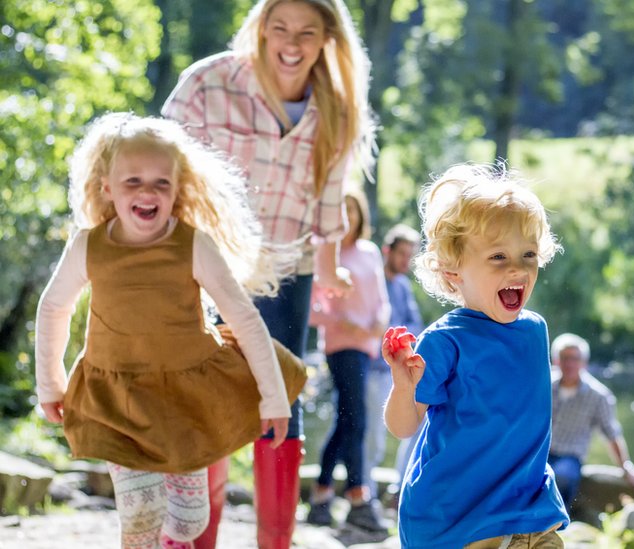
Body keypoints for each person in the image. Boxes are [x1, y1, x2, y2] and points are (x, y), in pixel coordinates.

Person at [33, 113, 307, 549]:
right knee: (140, 512)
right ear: (107, 187)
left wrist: (274, 398)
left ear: (178, 190)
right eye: (133, 181)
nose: (147, 192)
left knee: (188, 520)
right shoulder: (89, 245)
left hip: (184, 403)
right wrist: (50, 384)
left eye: (161, 182)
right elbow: (54, 308)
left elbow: (243, 317)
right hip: (117, 400)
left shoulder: (192, 244)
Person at [161, 0, 375, 546]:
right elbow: (159, 170)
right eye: (279, 27)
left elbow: (327, 209)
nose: (292, 43)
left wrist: (329, 271)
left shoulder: (337, 106)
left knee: (281, 394)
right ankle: (195, 537)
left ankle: (275, 540)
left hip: (286, 268)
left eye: (308, 31)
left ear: (327, 37)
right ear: (260, 29)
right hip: (205, 266)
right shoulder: (209, 83)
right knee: (205, 399)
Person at [382, 164, 570, 548]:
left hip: (529, 510)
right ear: (454, 272)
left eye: (528, 254)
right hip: (456, 517)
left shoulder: (536, 331)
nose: (517, 267)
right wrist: (404, 386)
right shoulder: (445, 340)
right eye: (498, 256)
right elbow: (403, 427)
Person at [306, 188, 390, 531]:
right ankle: (358, 496)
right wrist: (338, 322)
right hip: (341, 346)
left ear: (360, 216)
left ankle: (322, 494)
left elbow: (381, 300)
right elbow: (311, 310)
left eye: (353, 211)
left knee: (348, 420)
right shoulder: (326, 254)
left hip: (367, 345)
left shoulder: (369, 252)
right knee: (357, 418)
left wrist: (380, 324)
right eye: (343, 211)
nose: (348, 217)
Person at [548, 333, 634, 511]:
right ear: (556, 360)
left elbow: (611, 434)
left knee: (560, 478)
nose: (569, 363)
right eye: (564, 358)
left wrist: (625, 467)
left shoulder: (599, 396)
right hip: (540, 452)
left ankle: (555, 524)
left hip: (569, 456)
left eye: (575, 358)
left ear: (583, 363)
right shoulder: (544, 384)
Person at [361, 223, 424, 497]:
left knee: (415, 427)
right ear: (387, 250)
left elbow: (415, 324)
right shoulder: (372, 280)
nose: (405, 261)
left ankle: (401, 488)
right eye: (401, 254)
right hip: (373, 367)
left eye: (410, 255)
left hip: (399, 369)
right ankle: (367, 495)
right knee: (373, 436)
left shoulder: (403, 286)